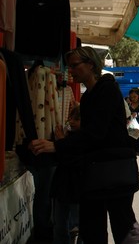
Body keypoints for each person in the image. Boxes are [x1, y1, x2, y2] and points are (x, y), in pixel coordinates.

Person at [30, 46, 139, 244]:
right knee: (94, 226)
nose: (71, 71)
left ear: (90, 65)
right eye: (70, 67)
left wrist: (58, 146)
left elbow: (95, 133)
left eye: (74, 66)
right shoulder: (90, 94)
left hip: (111, 169)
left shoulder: (106, 89)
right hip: (96, 170)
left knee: (122, 224)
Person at [52, 104, 81, 244]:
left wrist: (61, 143)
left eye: (77, 119)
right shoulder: (67, 135)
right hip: (63, 187)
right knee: (60, 224)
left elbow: (70, 160)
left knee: (76, 224)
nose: (72, 121)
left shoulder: (83, 139)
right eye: (71, 118)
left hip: (77, 189)